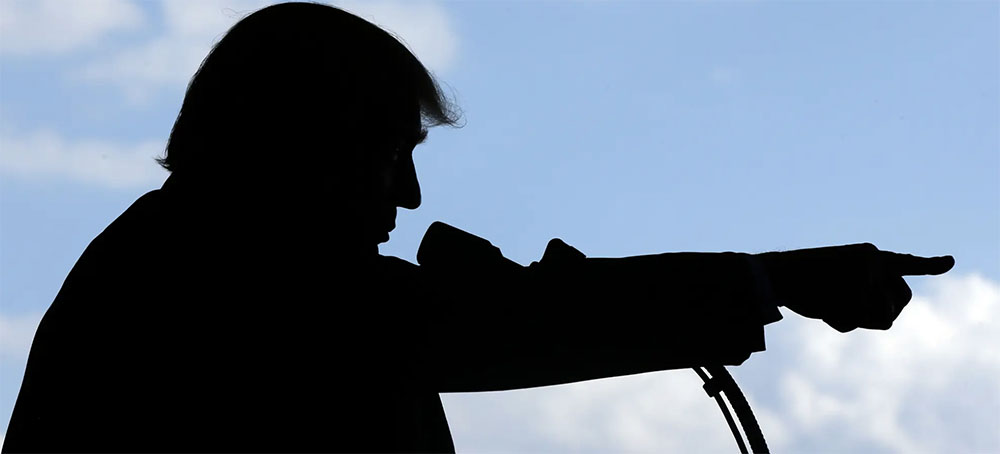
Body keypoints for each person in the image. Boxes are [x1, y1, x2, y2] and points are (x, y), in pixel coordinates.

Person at [3, 2, 954, 453]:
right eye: (390, 153)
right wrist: (772, 279)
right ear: (301, 142)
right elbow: (486, 325)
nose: (411, 196)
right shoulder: (209, 270)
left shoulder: (168, 257)